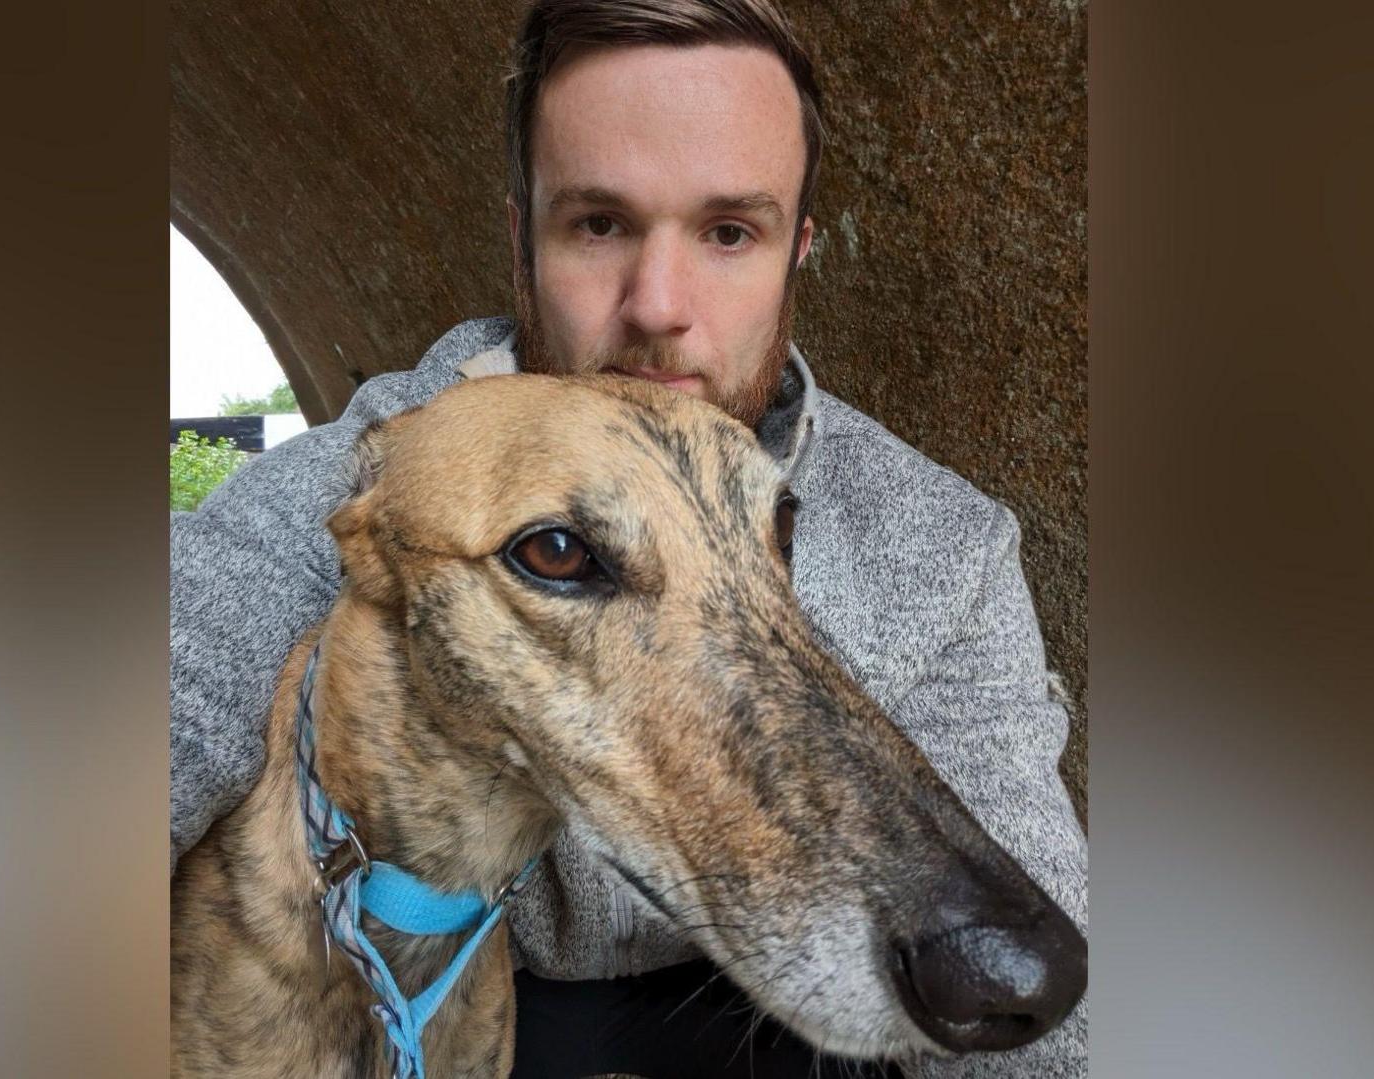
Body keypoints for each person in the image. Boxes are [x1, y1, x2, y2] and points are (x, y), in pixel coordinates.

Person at [169, 1, 1087, 1075]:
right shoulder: (383, 473)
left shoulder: (942, 542)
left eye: (728, 231)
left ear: (798, 251)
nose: (660, 306)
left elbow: (1058, 1028)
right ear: (525, 240)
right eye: (599, 224)